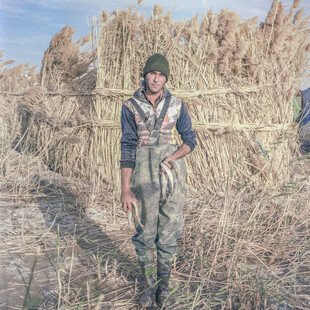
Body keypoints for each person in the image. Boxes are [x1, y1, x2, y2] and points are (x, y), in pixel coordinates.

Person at [120, 53, 196, 308]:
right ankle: (148, 286)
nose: (156, 78)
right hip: (143, 171)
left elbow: (190, 140)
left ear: (166, 78)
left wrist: (172, 157)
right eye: (152, 73)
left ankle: (163, 286)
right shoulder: (130, 105)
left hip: (171, 171)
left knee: (169, 228)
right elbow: (128, 146)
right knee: (145, 230)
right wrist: (125, 188)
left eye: (161, 75)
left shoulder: (177, 104)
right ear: (145, 75)